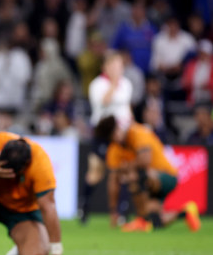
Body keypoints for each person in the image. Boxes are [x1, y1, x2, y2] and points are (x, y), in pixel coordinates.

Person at [95, 116, 201, 233]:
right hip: (148, 185)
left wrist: (126, 168)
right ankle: (186, 212)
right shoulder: (114, 150)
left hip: (166, 176)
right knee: (154, 222)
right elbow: (113, 181)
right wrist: (113, 211)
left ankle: (141, 219)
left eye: (116, 131)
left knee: (132, 175)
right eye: (112, 136)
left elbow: (145, 160)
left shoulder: (137, 132)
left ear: (119, 127)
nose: (116, 136)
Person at [80, 51, 133, 225]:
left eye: (120, 66)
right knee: (96, 172)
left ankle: (121, 212)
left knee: (123, 171)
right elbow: (104, 102)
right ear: (106, 67)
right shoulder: (98, 84)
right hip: (103, 133)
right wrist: (113, 83)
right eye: (115, 66)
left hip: (121, 135)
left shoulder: (127, 84)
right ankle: (84, 208)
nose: (118, 69)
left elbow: (126, 107)